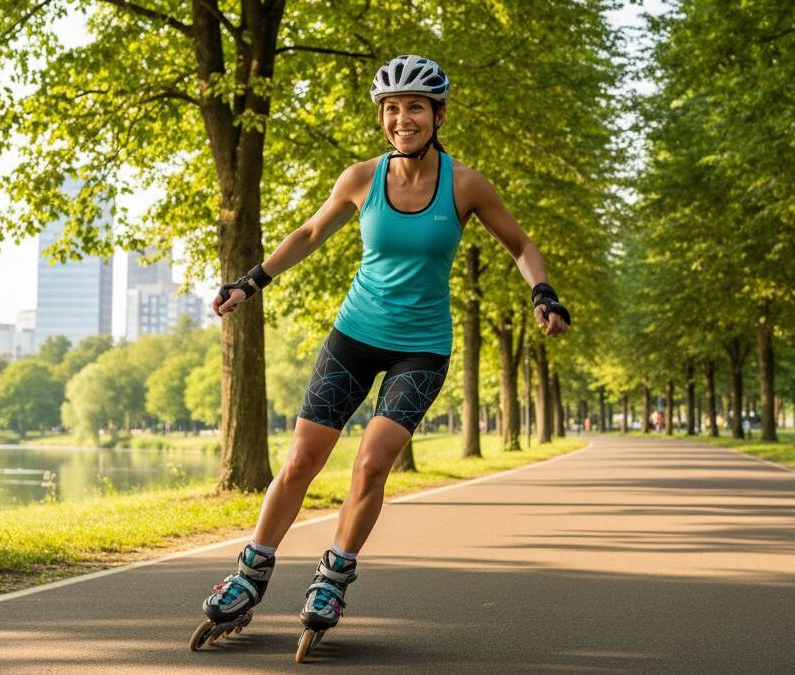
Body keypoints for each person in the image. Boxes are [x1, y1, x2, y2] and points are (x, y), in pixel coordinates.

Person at [202, 54, 571, 635]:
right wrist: (250, 282)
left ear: (438, 115)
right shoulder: (360, 178)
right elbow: (309, 232)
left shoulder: (466, 184)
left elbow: (522, 246)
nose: (403, 119)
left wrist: (542, 294)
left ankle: (332, 579)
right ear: (382, 117)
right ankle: (250, 573)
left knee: (372, 464)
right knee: (301, 460)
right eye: (392, 108)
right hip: (354, 336)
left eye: (415, 107)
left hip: (421, 348)